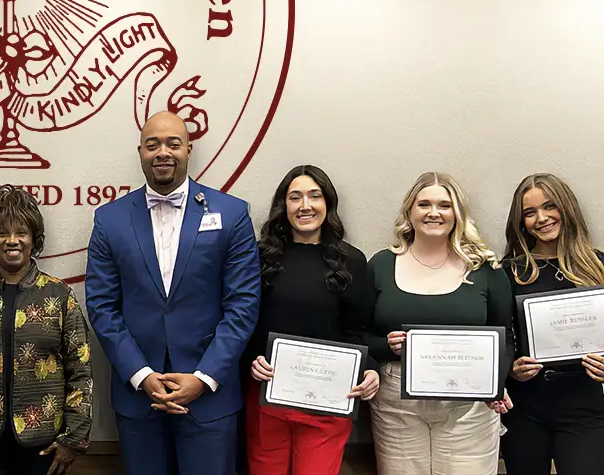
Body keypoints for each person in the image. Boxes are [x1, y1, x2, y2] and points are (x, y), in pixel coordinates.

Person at [85, 111, 261, 475]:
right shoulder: (109, 219)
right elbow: (102, 307)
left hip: (210, 396)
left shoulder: (231, 213)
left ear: (189, 150)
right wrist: (141, 374)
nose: (162, 152)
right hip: (138, 397)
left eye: (172, 143)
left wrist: (203, 377)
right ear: (140, 153)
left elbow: (243, 306)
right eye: (153, 145)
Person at [364, 172, 513, 475]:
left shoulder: (484, 268)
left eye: (444, 205)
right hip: (396, 403)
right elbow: (357, 334)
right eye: (424, 204)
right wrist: (386, 346)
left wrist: (495, 383)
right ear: (409, 211)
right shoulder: (380, 265)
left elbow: (506, 337)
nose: (434, 213)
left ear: (457, 213)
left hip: (469, 406)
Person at [0, 185, 93, 475]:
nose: (12, 241)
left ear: (33, 239)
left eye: (21, 232)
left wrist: (73, 438)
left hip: (45, 441)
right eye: (2, 233)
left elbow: (81, 370)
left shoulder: (59, 295)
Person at [244, 165, 379, 475]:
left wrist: (369, 368)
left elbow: (358, 330)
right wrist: (252, 358)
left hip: (327, 401)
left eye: (314, 196)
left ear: (327, 204)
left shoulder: (351, 261)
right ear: (284, 206)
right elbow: (243, 321)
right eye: (295, 197)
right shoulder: (259, 258)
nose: (305, 206)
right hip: (268, 395)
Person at [499, 174, 604, 475]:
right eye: (529, 213)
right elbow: (503, 336)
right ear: (520, 222)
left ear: (566, 208)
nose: (541, 218)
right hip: (525, 407)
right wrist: (511, 370)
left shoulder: (599, 266)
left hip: (585, 404)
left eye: (549, 207)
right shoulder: (509, 272)